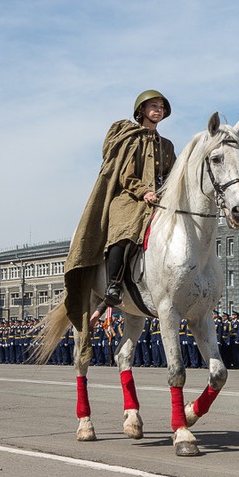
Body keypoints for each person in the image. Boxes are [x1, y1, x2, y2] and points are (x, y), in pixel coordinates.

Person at [60, 91, 175, 348]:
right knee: (125, 233)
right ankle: (113, 285)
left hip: (158, 199)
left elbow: (172, 175)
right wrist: (143, 191)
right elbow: (125, 174)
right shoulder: (131, 139)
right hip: (129, 199)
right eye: (153, 106)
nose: (158, 110)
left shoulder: (167, 145)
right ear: (142, 110)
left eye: (161, 107)